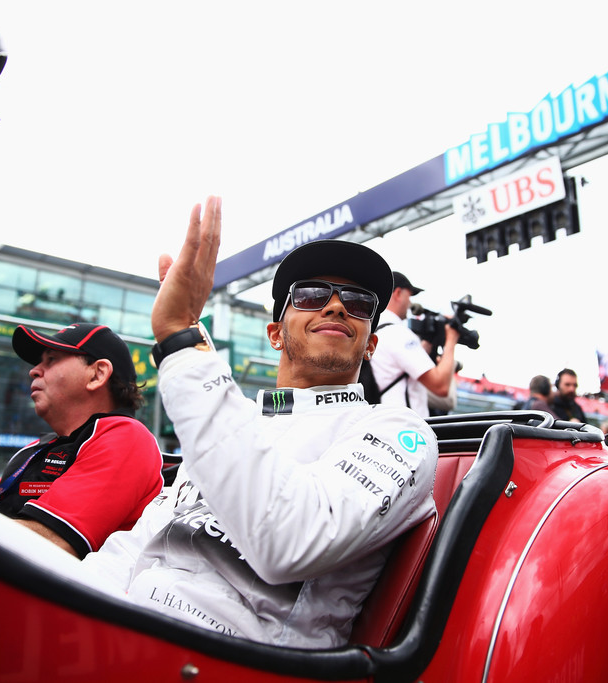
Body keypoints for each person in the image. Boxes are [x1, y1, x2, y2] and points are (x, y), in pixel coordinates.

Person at [80, 197, 438, 649]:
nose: (335, 307)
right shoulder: (235, 423)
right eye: (310, 295)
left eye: (357, 301)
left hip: (238, 662)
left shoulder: (400, 432)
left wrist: (182, 341)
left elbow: (287, 543)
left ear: (370, 345)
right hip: (118, 636)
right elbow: (132, 552)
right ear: (275, 335)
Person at [0, 322, 165, 558]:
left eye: (51, 359)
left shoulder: (127, 436)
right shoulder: (37, 449)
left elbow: (48, 544)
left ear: (97, 374)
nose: (34, 370)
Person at [368, 271, 460, 417]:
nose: (410, 303)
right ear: (398, 293)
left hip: (385, 420)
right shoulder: (397, 333)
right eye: (409, 296)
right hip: (406, 429)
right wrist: (451, 340)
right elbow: (440, 386)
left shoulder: (374, 332)